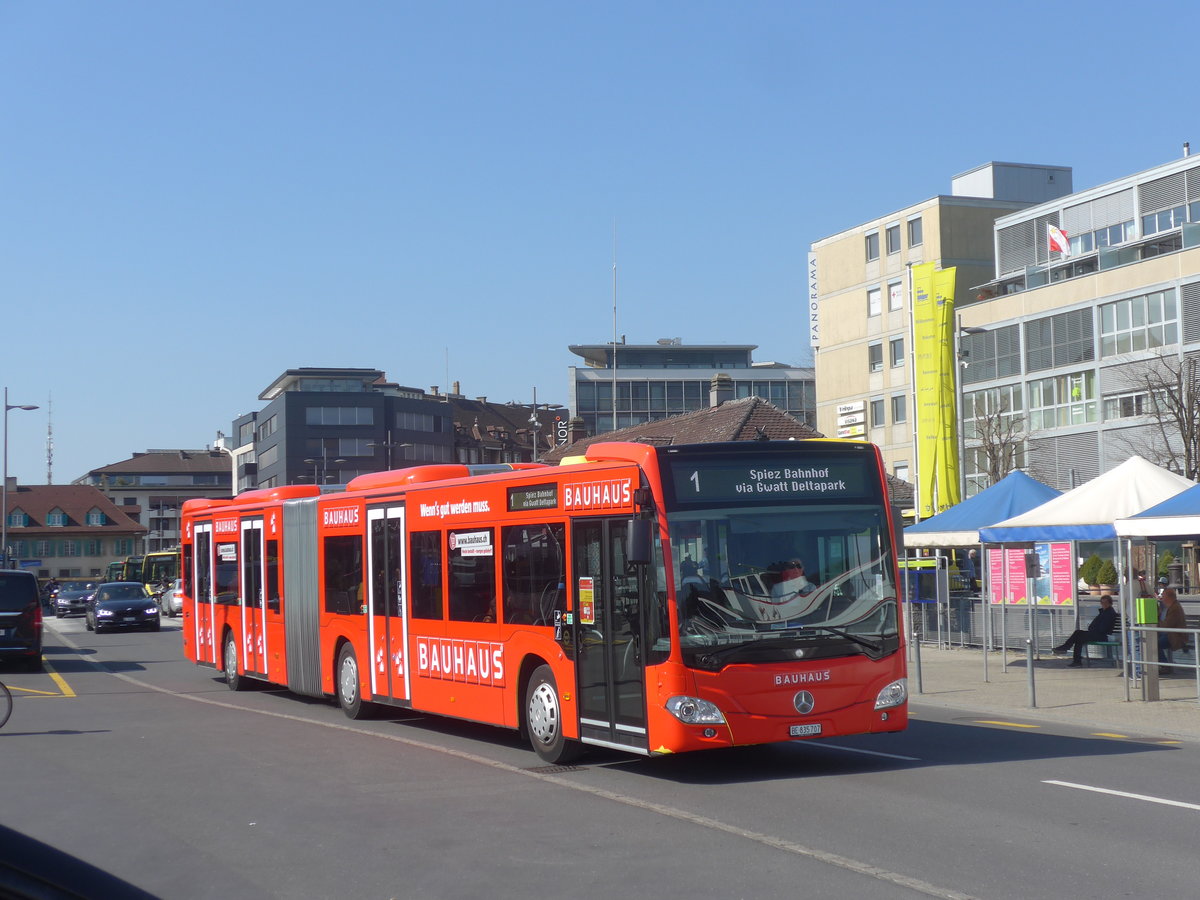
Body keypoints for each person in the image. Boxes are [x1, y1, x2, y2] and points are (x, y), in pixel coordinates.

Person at [1054, 594, 1117, 667]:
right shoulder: (1104, 612)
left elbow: (1103, 628)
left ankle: (1067, 650)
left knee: (1078, 636)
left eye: (1106, 603)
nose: (1104, 604)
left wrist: (1092, 629)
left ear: (1110, 603)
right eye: (1102, 603)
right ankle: (1073, 657)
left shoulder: (1109, 613)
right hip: (1097, 633)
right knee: (1078, 634)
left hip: (1102, 635)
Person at [1157, 588, 1187, 676]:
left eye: (1163, 596)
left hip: (1175, 636)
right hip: (1169, 634)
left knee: (1155, 645)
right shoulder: (1168, 607)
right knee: (1153, 641)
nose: (1161, 598)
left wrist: (1156, 621)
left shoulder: (1175, 608)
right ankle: (1162, 664)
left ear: (1169, 597)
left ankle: (1165, 665)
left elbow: (1167, 625)